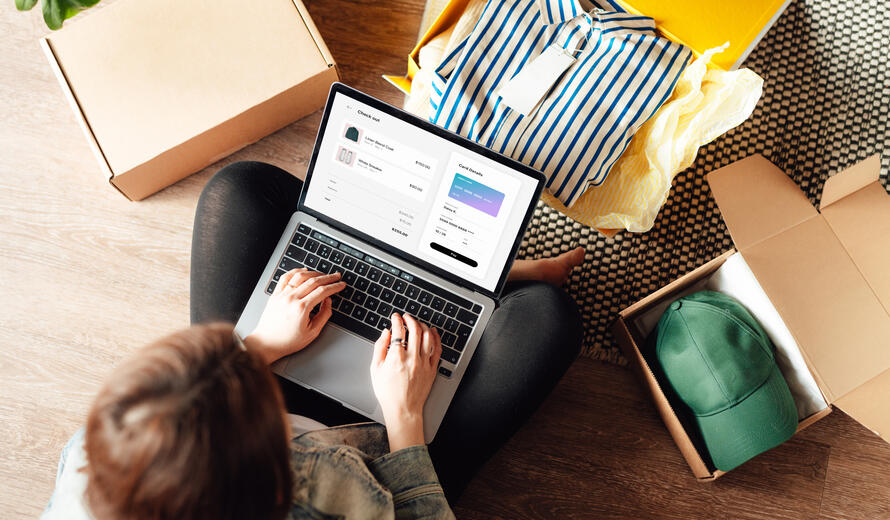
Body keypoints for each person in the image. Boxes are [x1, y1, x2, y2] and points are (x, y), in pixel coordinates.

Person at [43, 162, 585, 519]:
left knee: (240, 190)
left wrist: (260, 345)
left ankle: (454, 276)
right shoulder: (314, 502)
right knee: (547, 319)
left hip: (249, 435)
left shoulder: (95, 464)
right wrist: (405, 419)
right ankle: (482, 281)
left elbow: (191, 399)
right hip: (382, 456)